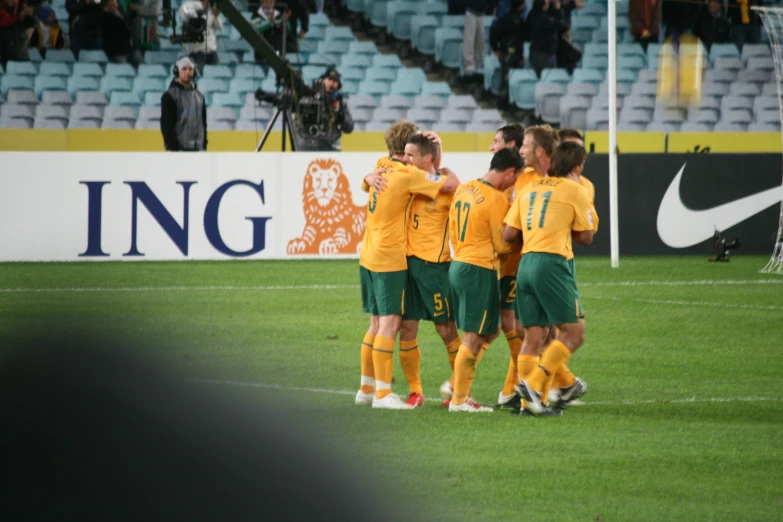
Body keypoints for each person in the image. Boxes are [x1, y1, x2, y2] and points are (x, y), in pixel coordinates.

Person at [355, 121, 460, 410]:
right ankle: (383, 394)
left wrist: (366, 177)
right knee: (391, 324)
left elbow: (367, 181)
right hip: (391, 258)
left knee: (378, 324)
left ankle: (366, 388)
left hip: (370, 254)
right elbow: (449, 182)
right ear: (405, 153)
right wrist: (442, 159)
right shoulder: (407, 175)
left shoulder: (381, 164)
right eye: (410, 152)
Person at [503, 141, 593, 416]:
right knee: (574, 333)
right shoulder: (575, 190)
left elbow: (508, 234)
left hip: (525, 263)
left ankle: (529, 405)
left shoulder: (528, 188)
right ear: (577, 167)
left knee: (533, 336)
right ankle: (534, 383)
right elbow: (587, 236)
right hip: (552, 263)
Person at [447, 147, 523, 413]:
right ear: (510, 171)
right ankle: (459, 399)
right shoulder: (496, 199)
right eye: (515, 178)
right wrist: (525, 245)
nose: (513, 184)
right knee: (473, 338)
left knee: (489, 331)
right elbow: (502, 247)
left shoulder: (464, 188)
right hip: (479, 269)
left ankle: (459, 392)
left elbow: (453, 231)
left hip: (460, 264)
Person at [391, 134, 462, 409]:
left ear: (427, 158)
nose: (405, 159)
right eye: (404, 154)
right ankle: (415, 391)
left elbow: (450, 180)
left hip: (435, 268)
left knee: (446, 329)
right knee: (406, 328)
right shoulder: (408, 181)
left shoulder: (444, 188)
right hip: (406, 265)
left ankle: (460, 389)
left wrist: (441, 155)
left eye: (410, 155)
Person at [494, 124, 555, 410]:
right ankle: (540, 389)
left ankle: (532, 390)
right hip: (520, 262)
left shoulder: (560, 182)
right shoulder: (520, 180)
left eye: (497, 141)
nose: (492, 146)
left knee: (544, 331)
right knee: (527, 330)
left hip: (545, 262)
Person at [160, 56, 207, 152]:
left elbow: (203, 124)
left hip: (199, 149)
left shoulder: (200, 96)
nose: (187, 72)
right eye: (184, 69)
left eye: (190, 69)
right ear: (177, 71)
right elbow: (167, 125)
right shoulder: (170, 96)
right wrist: (173, 148)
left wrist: (204, 145)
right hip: (178, 150)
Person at [489, 0, 526, 102]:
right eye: (523, 5)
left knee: (510, 79)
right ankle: (504, 103)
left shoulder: (507, 19)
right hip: (512, 54)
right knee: (509, 79)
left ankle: (508, 102)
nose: (524, 7)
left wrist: (495, 48)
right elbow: (494, 35)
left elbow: (493, 34)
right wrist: (496, 49)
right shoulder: (517, 21)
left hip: (512, 53)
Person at [526, 0, 567, 77]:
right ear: (543, 5)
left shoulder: (531, 15)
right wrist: (558, 10)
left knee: (535, 79)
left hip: (534, 52)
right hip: (546, 54)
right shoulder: (545, 19)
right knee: (548, 80)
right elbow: (561, 25)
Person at [181, 0, 222, 69]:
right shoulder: (190, 13)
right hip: (197, 53)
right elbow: (200, 25)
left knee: (216, 71)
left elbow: (219, 26)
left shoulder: (211, 13)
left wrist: (216, 16)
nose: (203, 4)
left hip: (211, 51)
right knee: (197, 72)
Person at [462, 0, 494, 75]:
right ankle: (469, 63)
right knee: (469, 40)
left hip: (482, 13)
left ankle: (478, 64)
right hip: (471, 11)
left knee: (481, 41)